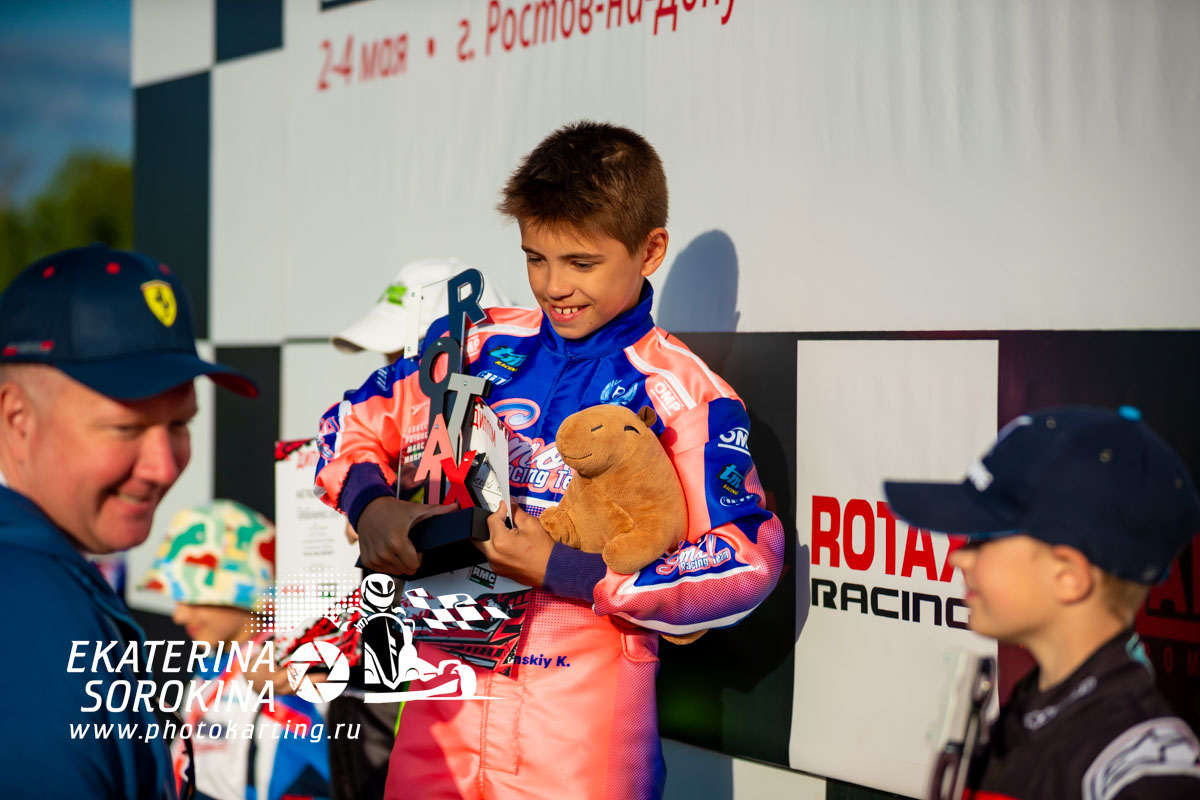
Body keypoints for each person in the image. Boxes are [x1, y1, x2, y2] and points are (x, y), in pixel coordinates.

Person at [314, 121, 785, 799]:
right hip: (442, 705)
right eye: (535, 258)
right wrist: (371, 505)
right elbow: (347, 424)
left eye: (581, 263)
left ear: (649, 250)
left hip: (579, 729)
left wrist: (566, 569)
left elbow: (747, 560)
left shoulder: (683, 393)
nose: (553, 285)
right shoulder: (476, 346)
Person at [0, 244, 257, 798]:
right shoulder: (27, 603)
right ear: (17, 419)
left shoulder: (41, 569)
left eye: (180, 424)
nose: (164, 466)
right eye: (125, 428)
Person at [884, 406, 1200, 800]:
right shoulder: (1027, 715)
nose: (958, 557)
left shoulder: (1144, 772)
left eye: (984, 536)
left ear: (1068, 576)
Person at [321, 259, 507, 800]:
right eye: (387, 360)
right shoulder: (378, 423)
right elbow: (343, 438)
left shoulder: (515, 411)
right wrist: (370, 505)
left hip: (482, 669)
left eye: (405, 359)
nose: (391, 378)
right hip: (387, 662)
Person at [141, 499, 333, 800]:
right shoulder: (212, 662)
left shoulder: (287, 668)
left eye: (193, 597)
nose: (179, 615)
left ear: (246, 592)